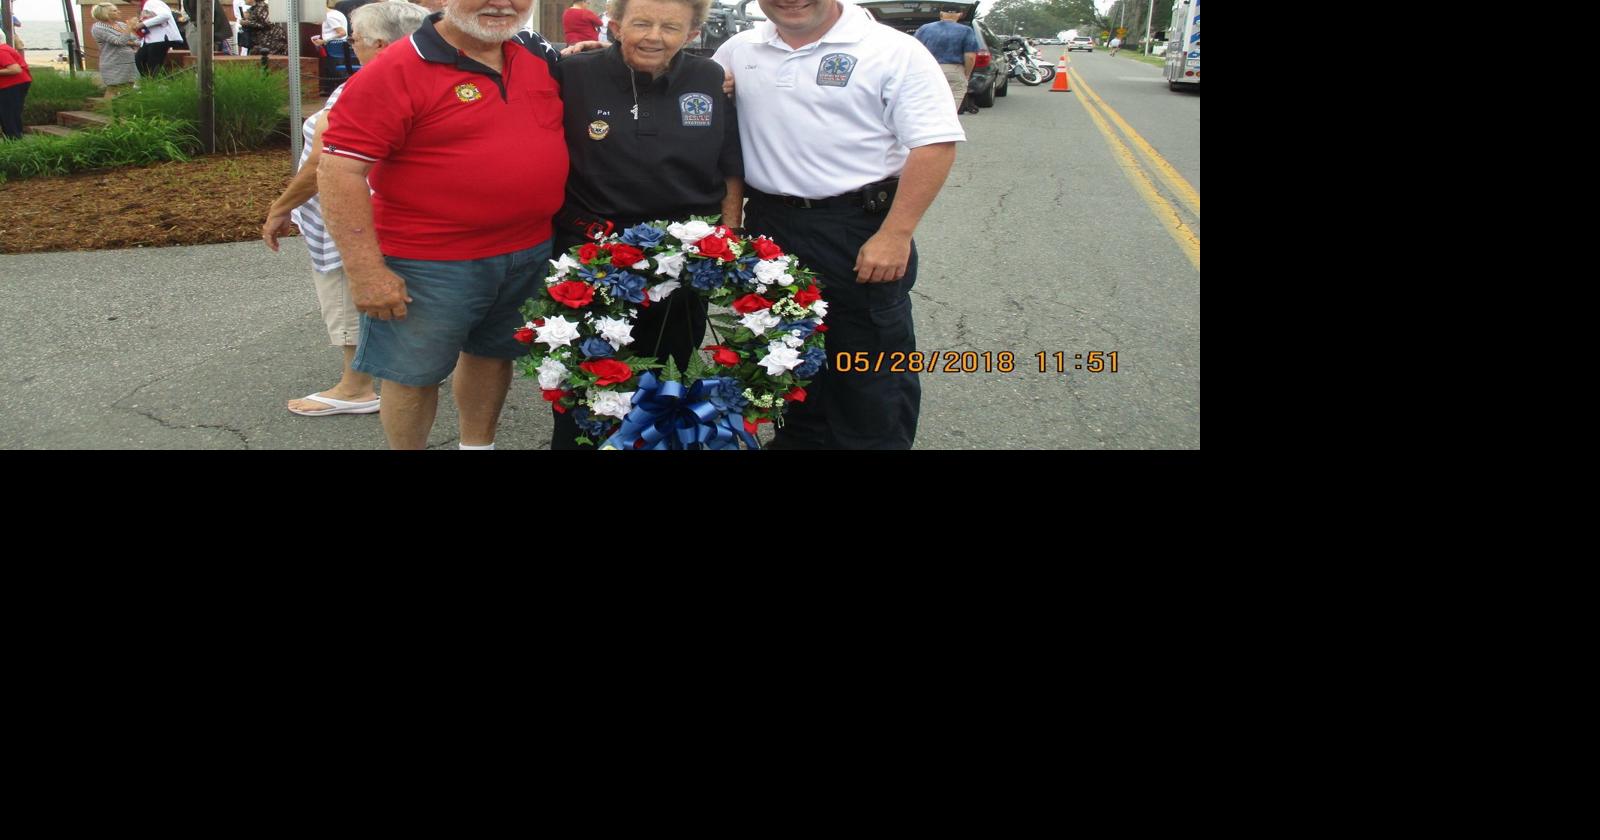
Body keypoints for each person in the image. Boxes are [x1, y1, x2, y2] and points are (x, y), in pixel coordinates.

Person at [713, 0, 963, 449]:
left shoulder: (892, 50)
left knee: (868, 368)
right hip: (771, 226)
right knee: (789, 358)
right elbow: (679, 86)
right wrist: (598, 53)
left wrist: (895, 234)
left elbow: (935, 143)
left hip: (858, 227)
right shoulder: (738, 48)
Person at [318, 0, 568, 450]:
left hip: (526, 251)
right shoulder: (394, 69)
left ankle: (478, 446)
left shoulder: (530, 60)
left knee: (493, 354)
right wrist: (365, 271)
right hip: (428, 260)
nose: (501, 3)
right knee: (413, 375)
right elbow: (339, 172)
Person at [546, 0, 743, 449]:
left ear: (692, 34)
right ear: (615, 27)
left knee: (670, 373)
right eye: (641, 23)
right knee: (584, 376)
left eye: (671, 27)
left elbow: (730, 163)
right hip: (591, 252)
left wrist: (727, 233)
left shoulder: (710, 79)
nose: (654, 36)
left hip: (683, 255)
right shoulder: (571, 73)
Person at [264, 1, 430, 418]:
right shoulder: (426, 79)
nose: (351, 46)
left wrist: (281, 208)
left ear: (379, 43)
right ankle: (408, 371)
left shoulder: (368, 86)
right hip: (393, 212)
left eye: (354, 39)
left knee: (346, 292)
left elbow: (325, 161)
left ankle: (355, 386)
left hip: (348, 216)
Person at [912, 5, 976, 114]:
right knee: (952, 103)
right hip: (953, 70)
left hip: (927, 70)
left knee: (927, 101)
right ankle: (945, 123)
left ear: (941, 14)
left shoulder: (924, 28)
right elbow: (970, 56)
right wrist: (967, 73)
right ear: (960, 15)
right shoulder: (966, 31)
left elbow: (913, 49)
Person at [90, 4, 140, 93]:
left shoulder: (121, 25)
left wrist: (130, 41)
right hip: (113, 62)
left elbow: (137, 40)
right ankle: (107, 107)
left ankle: (122, 107)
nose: (119, 12)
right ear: (105, 13)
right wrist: (129, 28)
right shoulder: (98, 28)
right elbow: (119, 41)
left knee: (128, 89)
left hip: (129, 62)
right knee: (113, 89)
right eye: (114, 11)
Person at [135, 0, 187, 77]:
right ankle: (150, 83)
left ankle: (155, 84)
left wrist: (142, 24)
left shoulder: (152, 2)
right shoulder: (145, 5)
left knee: (152, 66)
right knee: (140, 60)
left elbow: (165, 15)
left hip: (161, 38)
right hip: (151, 40)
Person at [310, 0, 351, 90]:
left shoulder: (330, 17)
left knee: (335, 73)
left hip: (334, 48)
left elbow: (342, 32)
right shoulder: (335, 13)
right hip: (340, 47)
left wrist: (324, 40)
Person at [0, 38, 29, 140]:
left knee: (9, 115)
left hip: (12, 85)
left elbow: (15, 69)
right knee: (8, 114)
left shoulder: (1, 51)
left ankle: (15, 141)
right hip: (11, 85)